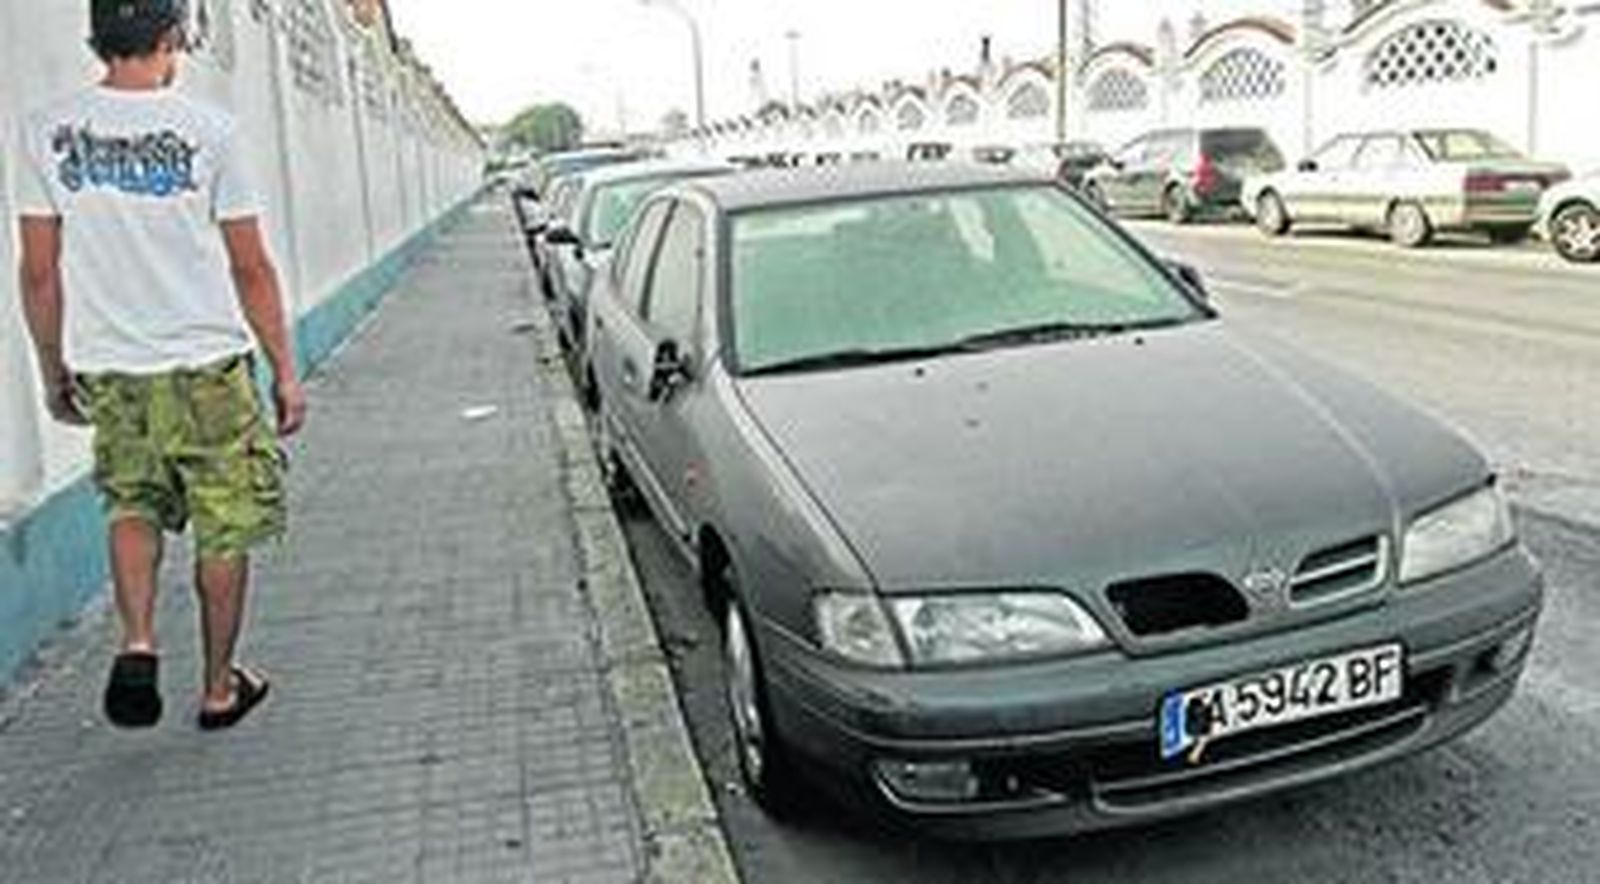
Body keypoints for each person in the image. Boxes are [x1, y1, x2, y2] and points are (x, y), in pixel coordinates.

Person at [15, 0, 306, 730]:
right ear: (172, 36)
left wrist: (53, 371)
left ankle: (139, 640)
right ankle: (217, 686)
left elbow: (40, 273)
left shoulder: (43, 131)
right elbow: (251, 267)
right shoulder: (209, 130)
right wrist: (284, 368)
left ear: (98, 37)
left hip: (113, 367)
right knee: (226, 525)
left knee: (132, 503)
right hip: (208, 363)